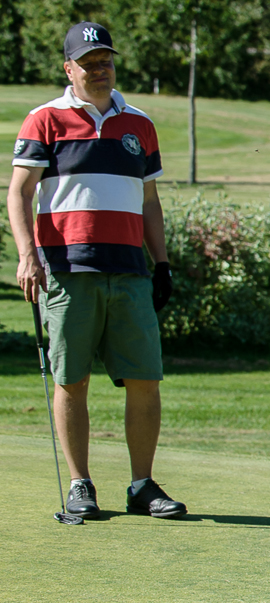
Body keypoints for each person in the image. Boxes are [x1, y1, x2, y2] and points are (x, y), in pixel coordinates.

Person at [8, 22, 185, 520]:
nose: (99, 69)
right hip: (68, 269)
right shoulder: (45, 120)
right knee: (73, 380)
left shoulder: (139, 124)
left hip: (129, 269)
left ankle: (142, 485)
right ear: (69, 69)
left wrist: (162, 263)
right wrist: (27, 255)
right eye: (88, 63)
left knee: (144, 378)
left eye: (105, 60)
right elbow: (19, 192)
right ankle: (80, 484)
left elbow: (149, 201)